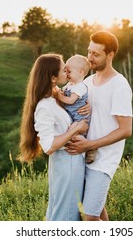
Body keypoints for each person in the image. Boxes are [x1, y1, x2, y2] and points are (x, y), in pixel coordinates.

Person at [66, 30, 133, 221]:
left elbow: (126, 129)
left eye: (96, 54)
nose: (90, 58)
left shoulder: (119, 85)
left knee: (89, 218)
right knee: (96, 213)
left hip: (103, 161)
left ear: (110, 55)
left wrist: (90, 145)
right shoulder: (87, 82)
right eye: (89, 52)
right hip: (84, 157)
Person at [19, 53, 88, 221]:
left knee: (68, 212)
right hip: (66, 163)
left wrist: (87, 107)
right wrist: (76, 129)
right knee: (67, 215)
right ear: (53, 78)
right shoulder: (45, 106)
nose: (67, 72)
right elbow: (49, 146)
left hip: (71, 162)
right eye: (64, 70)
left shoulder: (57, 98)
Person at [55, 54, 96, 163]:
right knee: (71, 132)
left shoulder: (81, 87)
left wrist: (59, 95)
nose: (67, 74)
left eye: (69, 72)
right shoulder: (70, 85)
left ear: (81, 72)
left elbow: (70, 100)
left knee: (72, 132)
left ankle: (90, 147)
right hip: (72, 115)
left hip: (79, 117)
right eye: (66, 71)